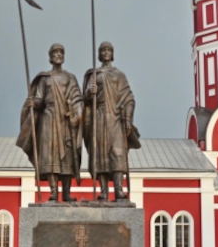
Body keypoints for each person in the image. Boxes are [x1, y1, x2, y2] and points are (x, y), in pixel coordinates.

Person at [17, 43, 83, 203]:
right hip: (49, 118)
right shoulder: (45, 78)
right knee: (50, 155)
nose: (58, 54)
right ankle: (53, 191)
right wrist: (33, 103)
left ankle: (66, 193)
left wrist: (78, 115)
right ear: (50, 57)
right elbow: (40, 99)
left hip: (65, 119)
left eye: (61, 52)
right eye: (55, 52)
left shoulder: (70, 78)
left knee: (67, 156)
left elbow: (77, 98)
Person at [83, 41, 140, 201]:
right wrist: (89, 93)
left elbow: (129, 97)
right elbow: (84, 100)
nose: (106, 52)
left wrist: (127, 118)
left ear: (112, 54)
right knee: (100, 153)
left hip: (116, 118)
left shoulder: (119, 75)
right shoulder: (94, 74)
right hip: (99, 116)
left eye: (109, 50)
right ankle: (103, 191)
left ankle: (118, 190)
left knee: (117, 152)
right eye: (103, 50)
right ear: (99, 54)